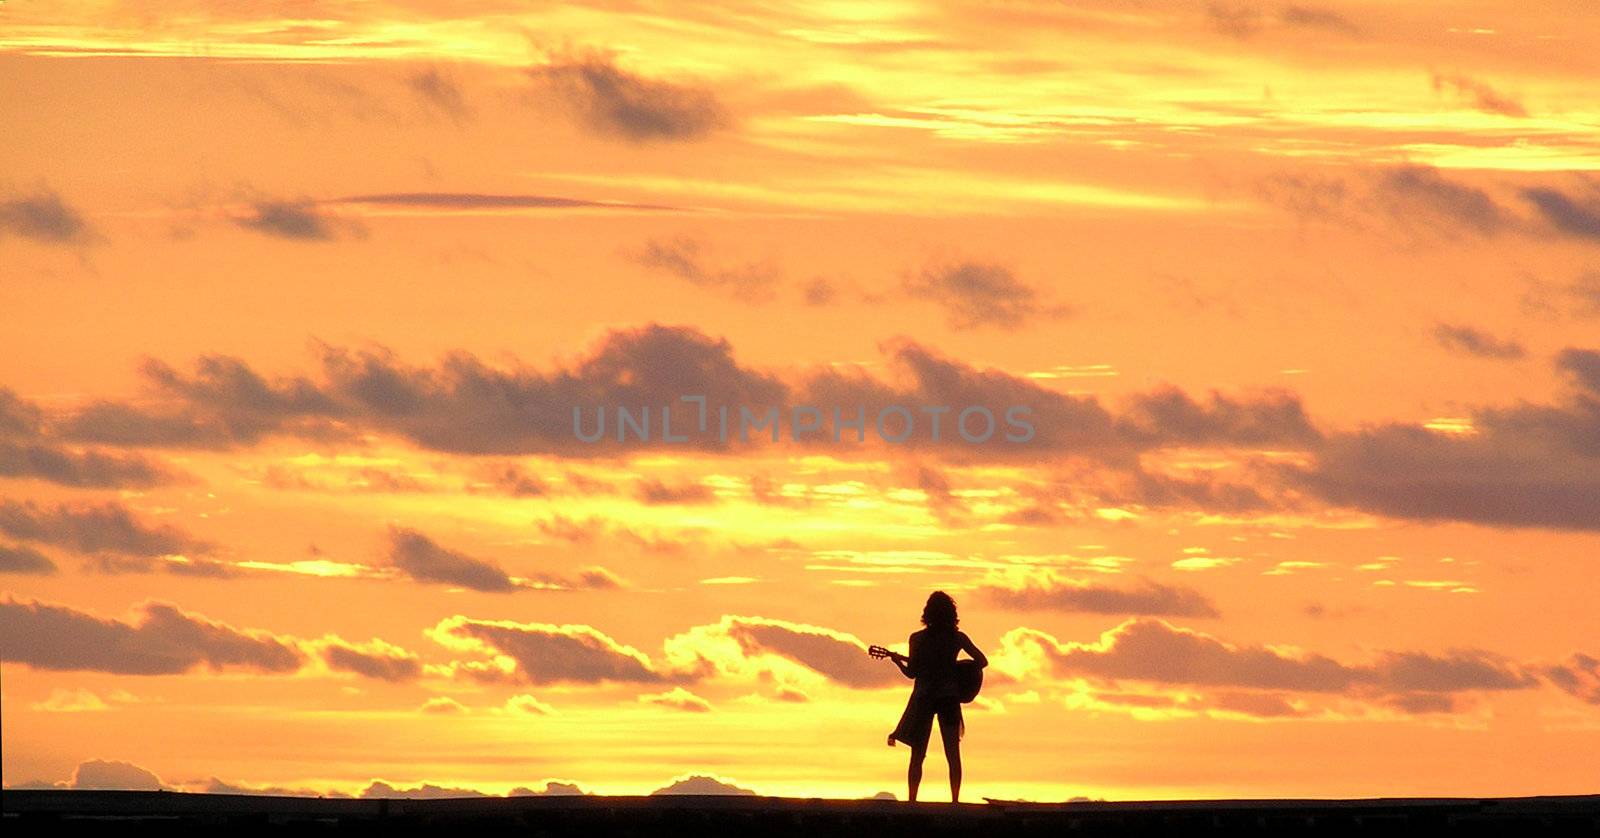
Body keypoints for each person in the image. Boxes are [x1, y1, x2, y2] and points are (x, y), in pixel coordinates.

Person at [877, 591, 987, 803]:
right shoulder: (958, 638)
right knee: (952, 753)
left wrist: (897, 660)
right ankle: (955, 801)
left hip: (924, 698)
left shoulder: (917, 639)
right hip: (949, 698)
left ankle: (912, 801)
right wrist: (955, 669)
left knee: (918, 753)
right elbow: (982, 661)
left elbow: (912, 673)